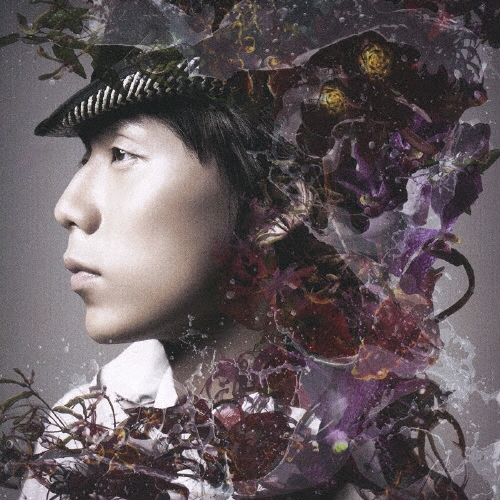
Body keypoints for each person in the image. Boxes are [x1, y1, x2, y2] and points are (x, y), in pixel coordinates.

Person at [1, 1, 499, 498]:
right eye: (85, 158)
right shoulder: (73, 444)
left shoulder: (371, 461)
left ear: (278, 200)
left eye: (122, 154)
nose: (68, 207)